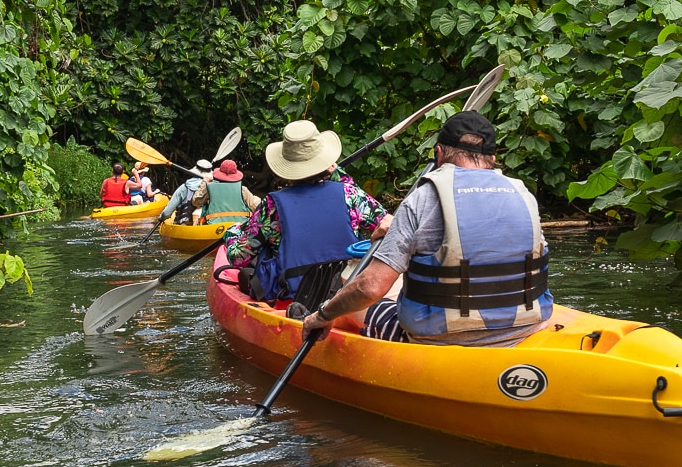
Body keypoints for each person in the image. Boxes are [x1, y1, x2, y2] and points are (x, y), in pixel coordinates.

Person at [301, 110, 550, 347]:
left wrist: (323, 314)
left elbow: (370, 288)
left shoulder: (422, 198)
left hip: (439, 338)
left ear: (439, 154)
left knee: (352, 302)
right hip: (524, 329)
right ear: (493, 158)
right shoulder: (522, 193)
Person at [228, 120, 387, 309]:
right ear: (327, 162)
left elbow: (238, 257)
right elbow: (387, 224)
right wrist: (338, 173)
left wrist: (232, 233)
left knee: (251, 265)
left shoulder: (271, 206)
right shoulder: (350, 194)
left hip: (292, 299)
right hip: (347, 294)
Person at [154, 159, 213, 229]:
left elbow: (166, 213)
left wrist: (161, 218)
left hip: (184, 227)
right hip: (207, 226)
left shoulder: (184, 188)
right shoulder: (213, 187)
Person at [198, 159, 258, 227]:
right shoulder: (242, 189)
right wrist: (256, 198)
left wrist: (204, 182)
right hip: (239, 226)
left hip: (214, 226)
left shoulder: (209, 187)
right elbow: (256, 207)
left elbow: (196, 202)